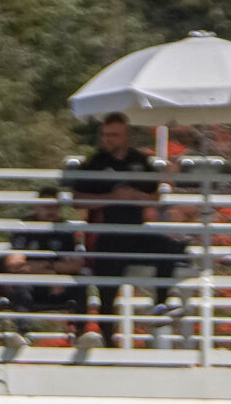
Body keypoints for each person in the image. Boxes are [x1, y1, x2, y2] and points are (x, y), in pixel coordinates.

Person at [63, 114, 170, 349]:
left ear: (126, 135)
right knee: (107, 290)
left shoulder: (140, 161)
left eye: (114, 135)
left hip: (136, 232)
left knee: (171, 250)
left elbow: (155, 197)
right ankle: (109, 338)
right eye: (105, 135)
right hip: (106, 235)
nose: (108, 139)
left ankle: (162, 305)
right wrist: (111, 198)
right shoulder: (95, 162)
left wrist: (134, 196)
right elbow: (77, 200)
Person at [0, 187, 87, 352]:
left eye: (55, 206)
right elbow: (14, 264)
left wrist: (47, 268)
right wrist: (51, 269)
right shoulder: (25, 227)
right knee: (21, 283)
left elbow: (76, 264)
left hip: (57, 287)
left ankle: (81, 335)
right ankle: (23, 334)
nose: (51, 210)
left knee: (81, 283)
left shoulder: (65, 230)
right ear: (36, 207)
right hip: (32, 285)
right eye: (46, 206)